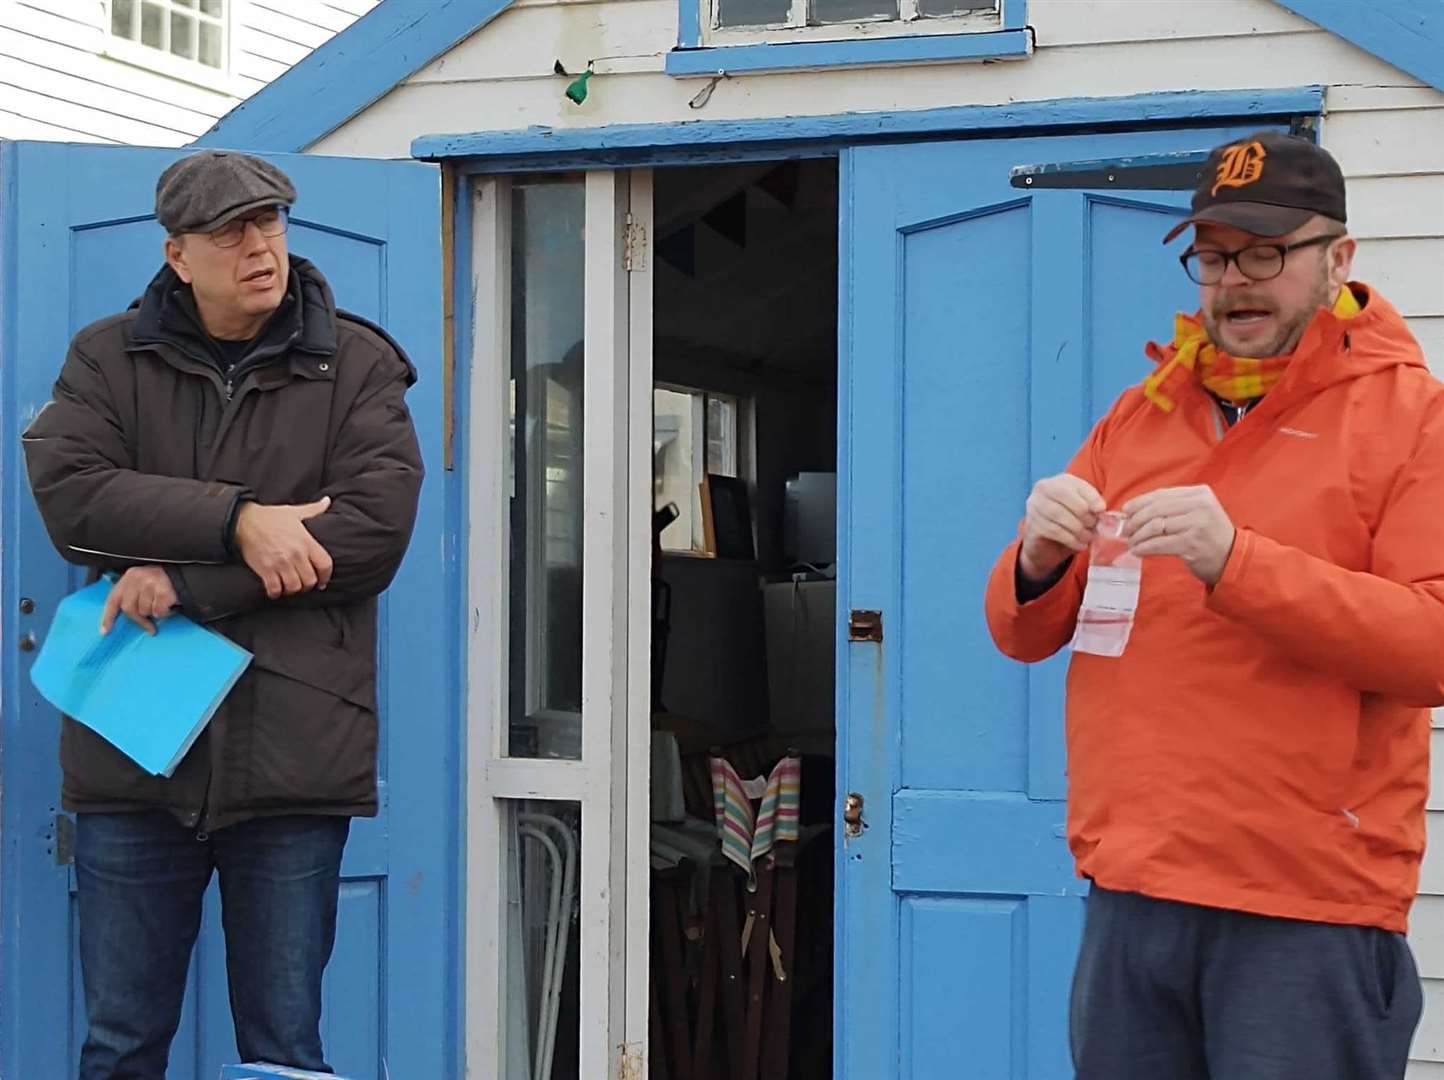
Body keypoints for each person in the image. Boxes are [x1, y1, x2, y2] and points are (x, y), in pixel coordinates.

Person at [985, 131, 1443, 1079]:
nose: (1235, 280)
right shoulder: (1140, 413)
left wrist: (1239, 563)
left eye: (1267, 252)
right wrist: (1034, 559)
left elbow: (1431, 647)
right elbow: (1025, 631)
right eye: (1214, 254)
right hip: (1133, 893)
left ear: (1339, 259)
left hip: (1305, 910)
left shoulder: (1413, 418)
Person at [22, 149, 423, 1078]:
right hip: (133, 759)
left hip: (294, 759)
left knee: (284, 1052)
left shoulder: (356, 363)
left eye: (271, 222)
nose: (259, 247)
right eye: (230, 232)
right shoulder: (105, 356)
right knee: (120, 1044)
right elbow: (73, 497)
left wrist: (185, 579)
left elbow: (371, 537)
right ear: (177, 255)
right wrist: (241, 522)